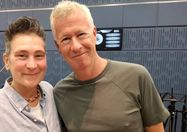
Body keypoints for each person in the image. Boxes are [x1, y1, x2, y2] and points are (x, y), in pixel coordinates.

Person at [50, 1, 170, 132]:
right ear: (58, 47)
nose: (76, 46)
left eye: (81, 34)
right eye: (66, 39)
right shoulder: (60, 93)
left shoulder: (136, 76)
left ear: (95, 34)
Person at [0, 16, 61, 132]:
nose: (32, 65)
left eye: (39, 55)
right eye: (22, 56)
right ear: (7, 61)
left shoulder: (49, 92)